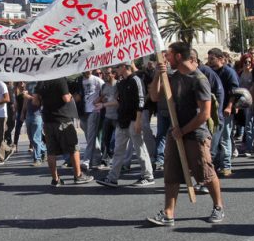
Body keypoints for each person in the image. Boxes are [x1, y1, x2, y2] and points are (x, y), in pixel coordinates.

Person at [146, 42, 225, 226]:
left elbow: (204, 114)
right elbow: (155, 96)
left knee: (205, 172)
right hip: (175, 131)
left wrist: (184, 130)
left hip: (195, 133)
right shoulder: (171, 77)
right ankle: (168, 213)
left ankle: (218, 206)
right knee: (171, 173)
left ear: (179, 56)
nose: (166, 58)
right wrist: (158, 74)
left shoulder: (199, 79)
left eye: (169, 55)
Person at [97, 62, 153, 188]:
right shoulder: (121, 83)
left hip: (133, 120)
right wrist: (104, 105)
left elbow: (141, 101)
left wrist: (138, 121)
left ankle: (148, 176)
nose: (116, 69)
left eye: (117, 67)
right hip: (122, 121)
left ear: (124, 67)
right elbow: (119, 101)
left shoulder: (135, 80)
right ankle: (112, 178)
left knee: (140, 149)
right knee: (118, 151)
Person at [33, 77, 93, 186]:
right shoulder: (60, 79)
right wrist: (71, 96)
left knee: (51, 152)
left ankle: (55, 179)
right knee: (73, 148)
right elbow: (66, 98)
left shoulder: (41, 81)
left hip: (47, 121)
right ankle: (78, 175)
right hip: (62, 119)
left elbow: (35, 101)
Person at [207, 49, 240, 176]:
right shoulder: (211, 72)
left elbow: (234, 91)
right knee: (215, 138)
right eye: (209, 59)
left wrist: (229, 106)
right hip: (214, 111)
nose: (210, 62)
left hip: (225, 110)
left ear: (221, 59)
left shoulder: (228, 72)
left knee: (225, 138)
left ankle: (226, 165)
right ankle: (217, 164)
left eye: (212, 59)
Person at [80, 70, 106, 169]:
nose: (88, 70)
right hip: (83, 111)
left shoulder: (97, 80)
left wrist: (99, 99)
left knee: (90, 137)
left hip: (94, 110)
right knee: (90, 136)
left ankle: (86, 161)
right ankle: (96, 159)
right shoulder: (80, 81)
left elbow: (106, 90)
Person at [21, 82, 45, 167]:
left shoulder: (39, 84)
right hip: (28, 115)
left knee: (35, 138)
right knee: (31, 138)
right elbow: (25, 101)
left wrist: (28, 96)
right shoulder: (28, 84)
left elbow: (38, 103)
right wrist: (23, 112)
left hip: (36, 115)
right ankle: (43, 150)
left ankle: (37, 159)